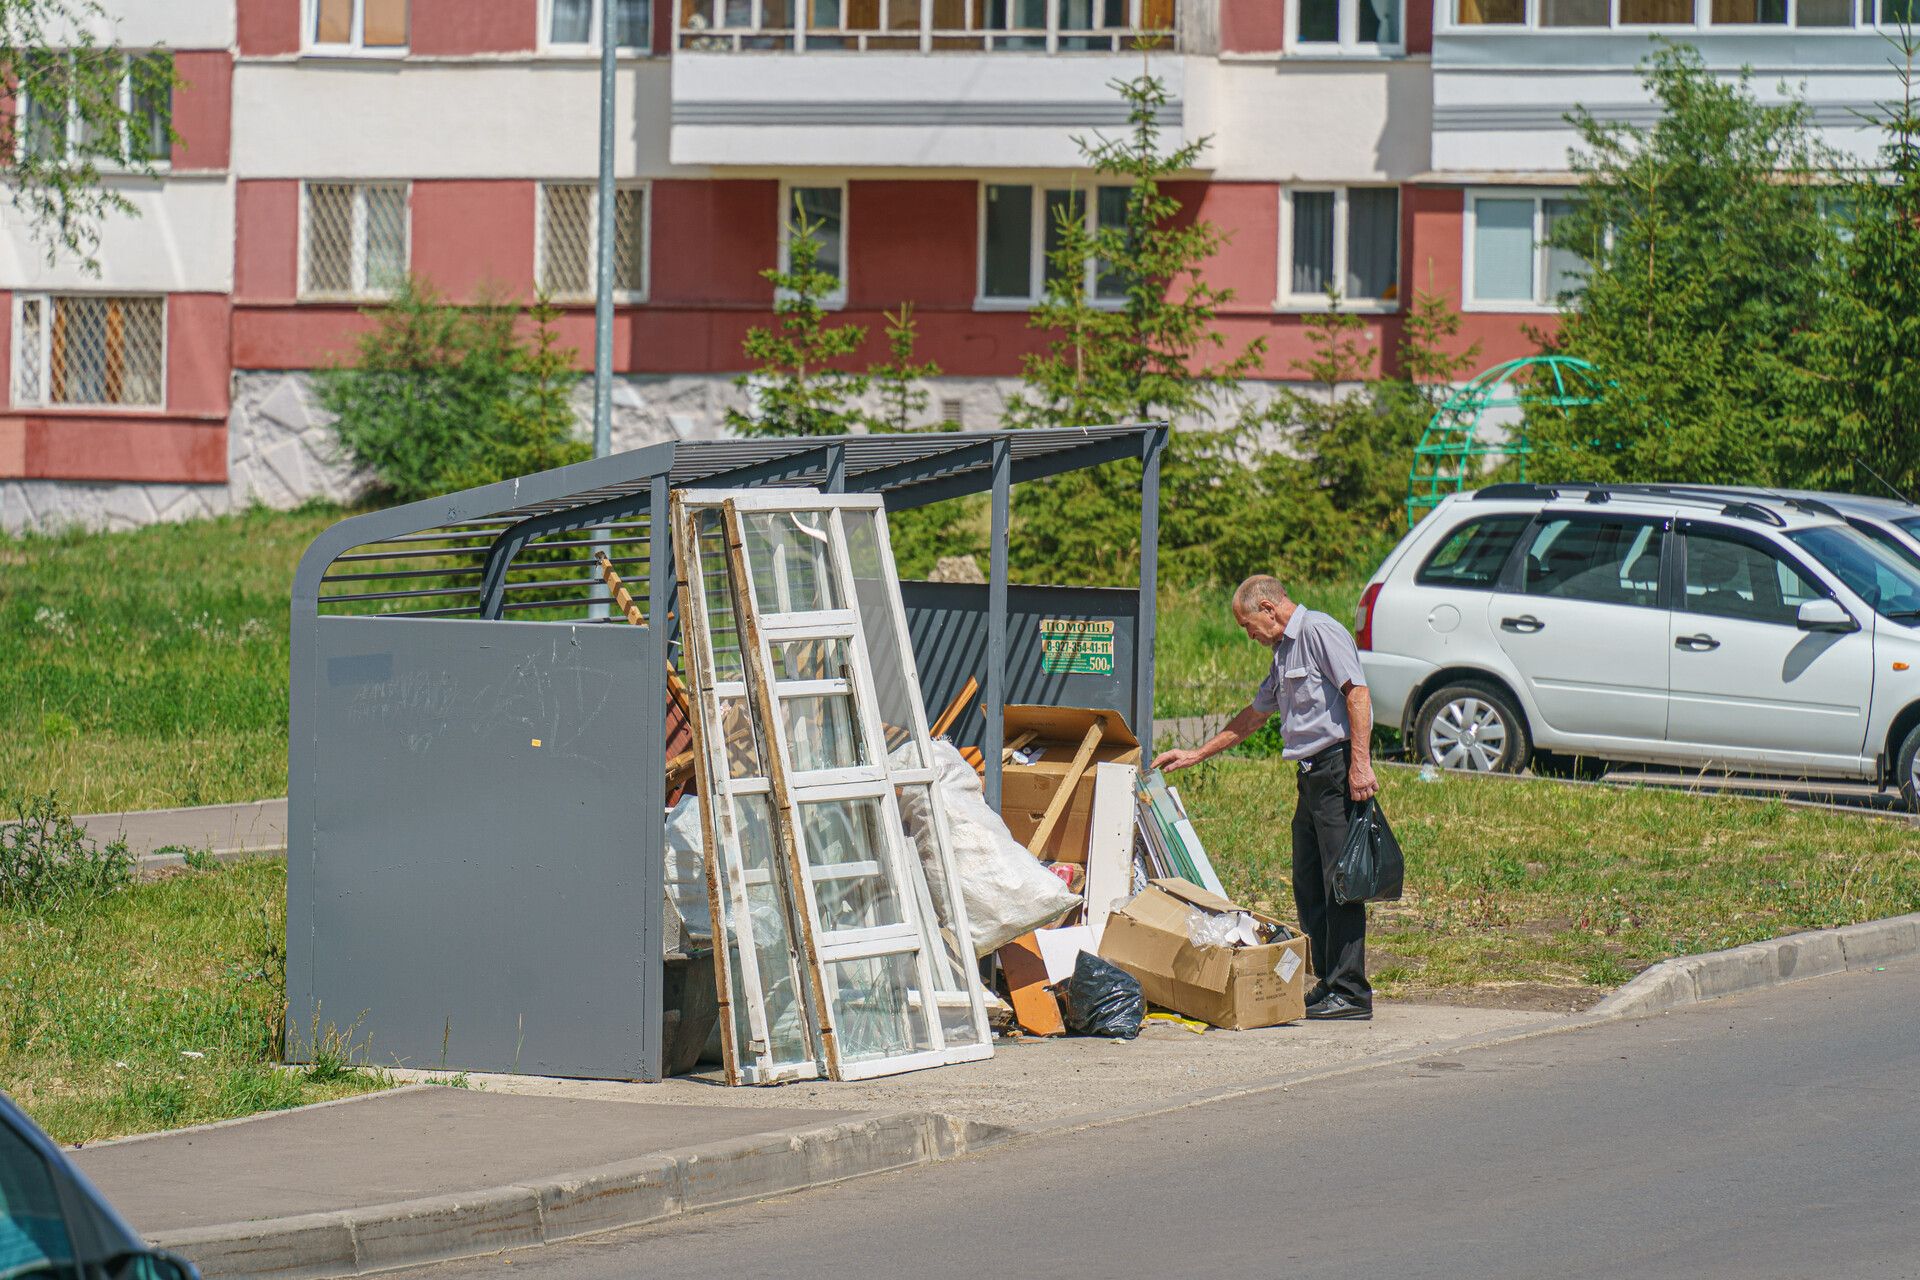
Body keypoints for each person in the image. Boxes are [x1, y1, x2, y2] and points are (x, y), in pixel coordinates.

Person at [1151, 574, 1379, 1020]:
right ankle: (1330, 981)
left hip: (1336, 770)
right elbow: (1254, 717)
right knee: (1308, 882)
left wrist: (1360, 763)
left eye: (1248, 624)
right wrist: (1197, 753)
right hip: (1310, 777)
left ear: (1269, 609)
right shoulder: (1282, 653)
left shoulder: (1318, 632)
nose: (1249, 635)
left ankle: (1352, 992)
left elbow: (1358, 694)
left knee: (1342, 885)